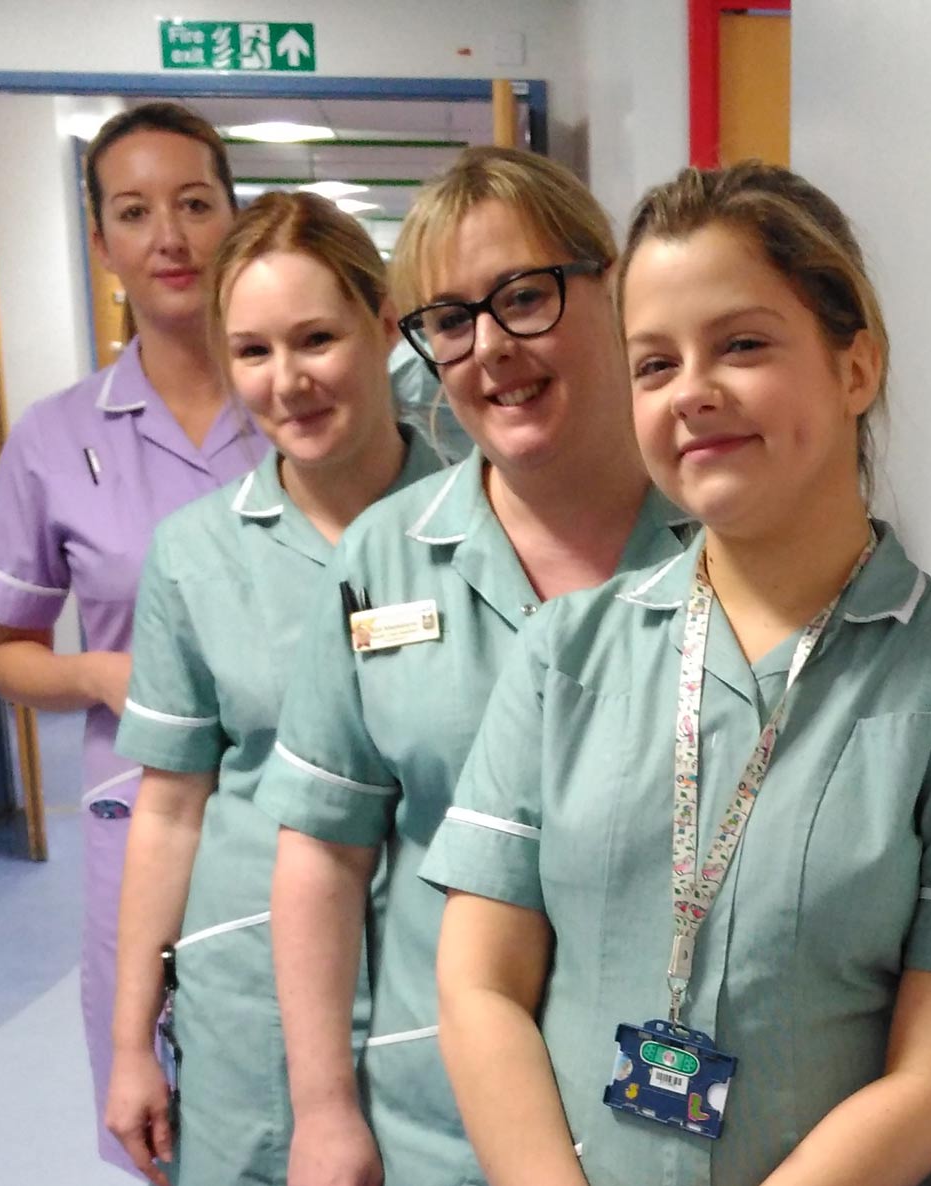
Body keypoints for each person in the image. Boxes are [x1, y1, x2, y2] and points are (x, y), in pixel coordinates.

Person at [424, 162, 931, 1186]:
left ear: (856, 368)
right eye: (653, 364)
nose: (694, 392)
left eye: (743, 345)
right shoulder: (566, 656)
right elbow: (478, 982)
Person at [254, 146, 691, 1186]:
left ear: (612, 286)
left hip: (666, 1121)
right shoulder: (385, 557)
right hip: (438, 1119)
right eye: (450, 319)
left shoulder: (723, 538)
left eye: (524, 296)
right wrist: (322, 1109)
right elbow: (322, 849)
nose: (491, 346)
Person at [101, 192, 444, 1186]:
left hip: (440, 988)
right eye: (252, 351)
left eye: (316, 338)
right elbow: (168, 808)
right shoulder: (197, 555)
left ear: (384, 326)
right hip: (250, 1000)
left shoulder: (481, 532)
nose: (286, 381)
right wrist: (130, 1045)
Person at [0, 101, 256, 1175]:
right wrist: (95, 671)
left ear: (236, 217)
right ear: (102, 243)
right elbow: (10, 652)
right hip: (141, 823)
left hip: (315, 813)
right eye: (134, 212)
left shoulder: (307, 403)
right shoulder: (54, 438)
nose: (169, 237)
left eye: (194, 203)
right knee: (161, 1117)